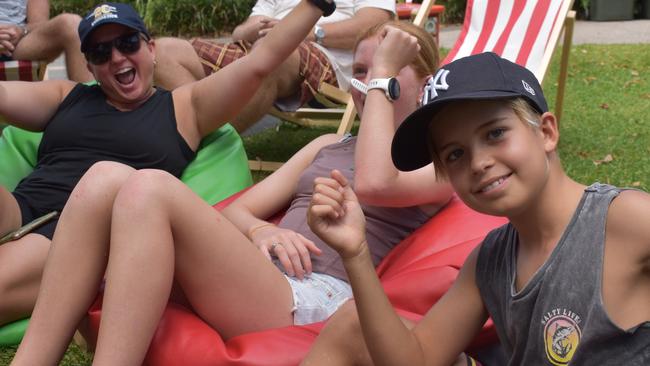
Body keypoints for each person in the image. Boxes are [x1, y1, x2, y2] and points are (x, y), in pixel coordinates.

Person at [9, 21, 454, 365]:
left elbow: (377, 181)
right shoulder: (326, 146)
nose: (362, 85)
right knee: (104, 175)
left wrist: (381, 77)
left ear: (425, 82)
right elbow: (240, 211)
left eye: (382, 73)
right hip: (262, 272)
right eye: (357, 71)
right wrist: (261, 231)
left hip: (317, 298)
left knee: (148, 187)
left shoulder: (439, 163)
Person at [0, 0, 332, 329]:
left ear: (152, 48)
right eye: (101, 53)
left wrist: (317, 4)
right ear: (90, 67)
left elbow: (260, 63)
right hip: (19, 206)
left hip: (73, 234)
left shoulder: (185, 108)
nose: (117, 57)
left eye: (127, 43)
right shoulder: (66, 95)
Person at [307, 52, 650, 366]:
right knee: (349, 325)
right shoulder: (489, 262)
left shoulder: (621, 221)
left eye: (496, 133)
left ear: (546, 132)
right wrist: (356, 252)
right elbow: (416, 360)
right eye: (455, 154)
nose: (479, 162)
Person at [153, 0, 395, 133]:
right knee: (164, 51)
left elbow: (374, 25)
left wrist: (306, 31)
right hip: (255, 48)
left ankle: (193, 137)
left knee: (275, 54)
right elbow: (242, 29)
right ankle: (205, 136)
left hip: (319, 56)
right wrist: (253, 29)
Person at [0, 0, 92, 82]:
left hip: (17, 45)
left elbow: (39, 24)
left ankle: (90, 100)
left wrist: (21, 31)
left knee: (71, 23)